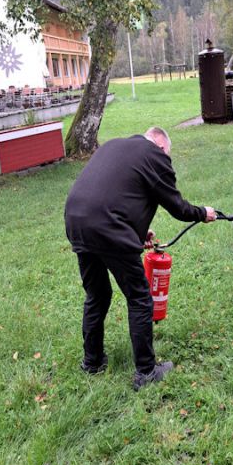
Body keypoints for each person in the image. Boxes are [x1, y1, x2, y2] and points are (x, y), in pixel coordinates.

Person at [64, 126, 216, 390]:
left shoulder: (114, 145)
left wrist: (136, 232)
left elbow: (113, 193)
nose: (166, 161)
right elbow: (178, 207)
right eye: (167, 155)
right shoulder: (154, 155)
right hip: (107, 227)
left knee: (97, 295)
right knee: (139, 298)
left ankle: (92, 362)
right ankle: (146, 372)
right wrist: (203, 213)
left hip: (77, 221)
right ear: (160, 146)